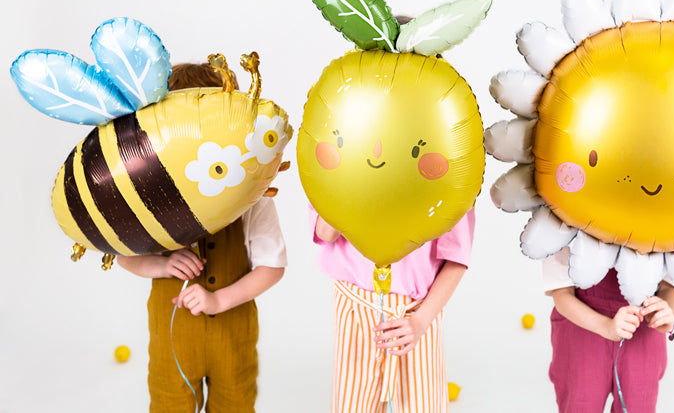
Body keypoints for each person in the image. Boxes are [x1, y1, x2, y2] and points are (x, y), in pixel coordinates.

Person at [117, 62, 287, 413]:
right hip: (173, 338)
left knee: (236, 403)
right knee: (169, 403)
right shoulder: (148, 194)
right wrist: (163, 266)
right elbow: (123, 255)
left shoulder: (252, 193)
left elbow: (273, 266)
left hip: (233, 334)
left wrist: (219, 301)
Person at [312, 209, 474, 413]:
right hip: (354, 308)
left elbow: (456, 259)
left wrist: (420, 322)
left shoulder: (452, 178)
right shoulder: (334, 175)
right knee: (353, 402)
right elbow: (326, 232)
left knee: (421, 403)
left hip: (418, 313)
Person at [544, 247, 674, 413]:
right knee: (580, 404)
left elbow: (669, 286)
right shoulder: (565, 224)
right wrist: (606, 327)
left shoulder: (662, 225)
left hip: (641, 333)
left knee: (638, 406)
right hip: (581, 329)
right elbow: (562, 293)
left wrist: (666, 312)